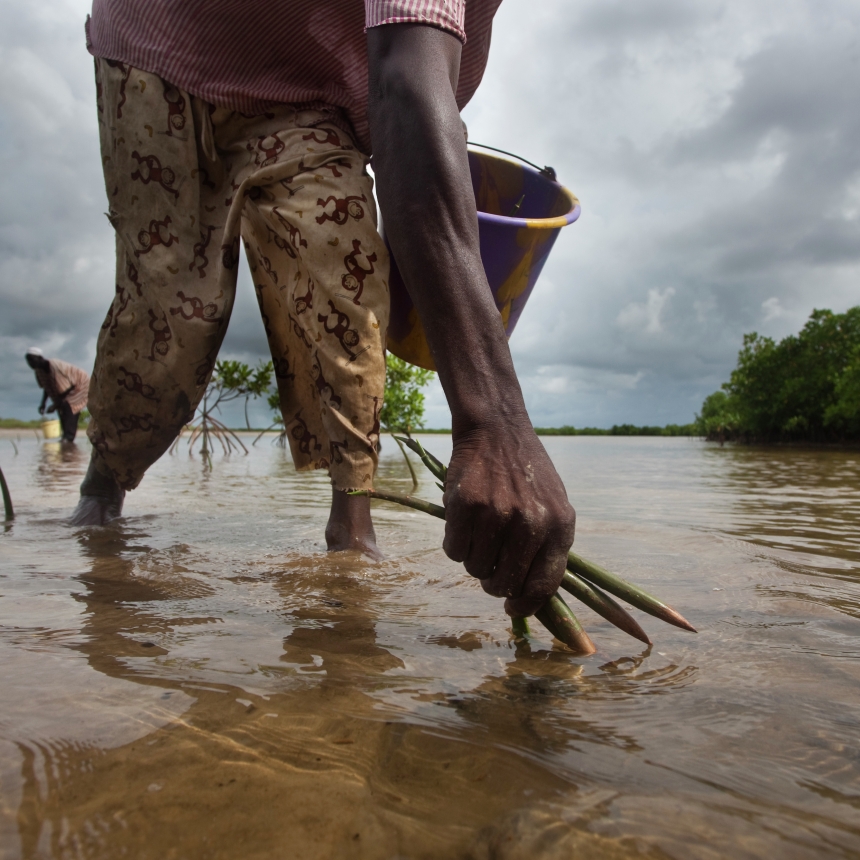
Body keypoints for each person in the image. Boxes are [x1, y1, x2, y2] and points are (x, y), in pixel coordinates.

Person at [72, 0, 577, 619]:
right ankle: (104, 484)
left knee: (352, 278)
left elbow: (420, 116)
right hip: (165, 42)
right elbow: (405, 92)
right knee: (176, 315)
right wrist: (494, 423)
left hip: (309, 93)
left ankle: (353, 527)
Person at [25, 348, 90, 443]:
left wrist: (55, 405)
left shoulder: (55, 366)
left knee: (68, 407)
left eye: (32, 360)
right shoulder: (39, 371)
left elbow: (65, 389)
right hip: (66, 390)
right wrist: (43, 404)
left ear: (40, 358)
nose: (30, 364)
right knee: (61, 408)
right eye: (28, 361)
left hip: (80, 385)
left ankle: (69, 437)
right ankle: (66, 436)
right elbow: (47, 387)